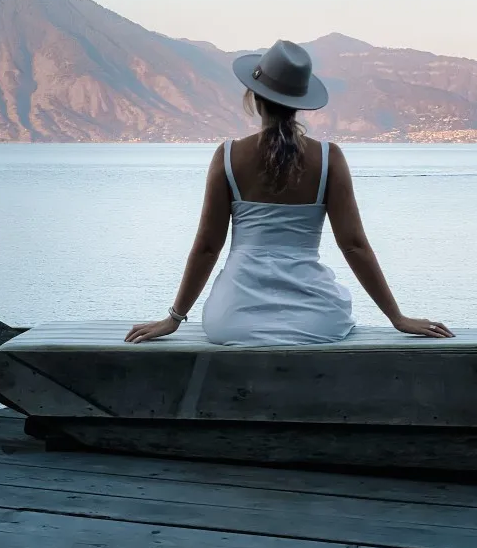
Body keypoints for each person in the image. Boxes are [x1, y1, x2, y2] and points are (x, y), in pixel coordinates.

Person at [126, 40, 453, 345]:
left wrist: (174, 318)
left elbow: (208, 247)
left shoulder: (227, 157)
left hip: (233, 317)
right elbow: (354, 245)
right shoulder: (328, 159)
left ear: (254, 97)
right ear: (301, 104)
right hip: (315, 318)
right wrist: (397, 318)